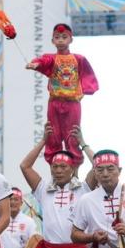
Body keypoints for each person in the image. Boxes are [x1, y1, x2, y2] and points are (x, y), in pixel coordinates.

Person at [25, 23, 99, 166]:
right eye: (57, 37)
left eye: (64, 37)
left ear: (71, 39)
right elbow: (43, 61)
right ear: (52, 41)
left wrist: (86, 90)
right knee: (53, 135)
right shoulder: (52, 58)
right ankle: (55, 170)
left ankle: (75, 173)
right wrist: (36, 64)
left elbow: (88, 75)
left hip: (72, 103)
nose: (60, 40)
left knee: (72, 135)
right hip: (54, 102)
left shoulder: (79, 59)